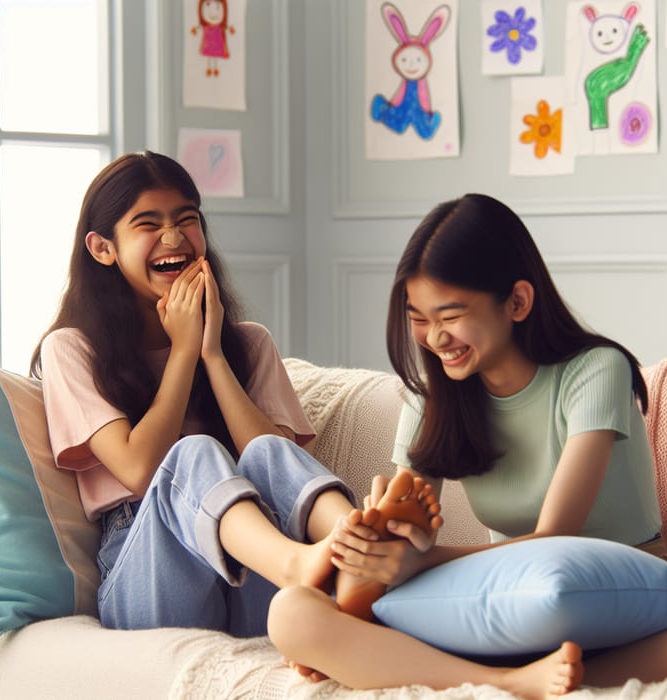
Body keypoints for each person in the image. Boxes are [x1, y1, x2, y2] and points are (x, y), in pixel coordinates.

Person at [31, 155, 584, 699]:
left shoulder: (247, 344)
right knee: (195, 452)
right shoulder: (72, 349)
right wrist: (182, 352)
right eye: (148, 224)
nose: (174, 236)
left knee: (267, 452)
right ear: (102, 248)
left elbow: (270, 463)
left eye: (188, 218)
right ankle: (313, 563)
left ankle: (358, 547)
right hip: (150, 576)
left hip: (252, 578)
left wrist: (214, 355)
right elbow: (138, 470)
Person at [307, 193, 667, 690]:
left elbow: (556, 538)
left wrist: (422, 560)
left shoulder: (595, 371)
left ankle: (509, 674)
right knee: (293, 613)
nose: (435, 338)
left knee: (557, 596)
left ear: (518, 302)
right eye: (419, 318)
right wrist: (374, 542)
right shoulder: (433, 397)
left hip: (615, 590)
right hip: (503, 598)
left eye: (450, 315)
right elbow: (388, 565)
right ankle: (513, 681)